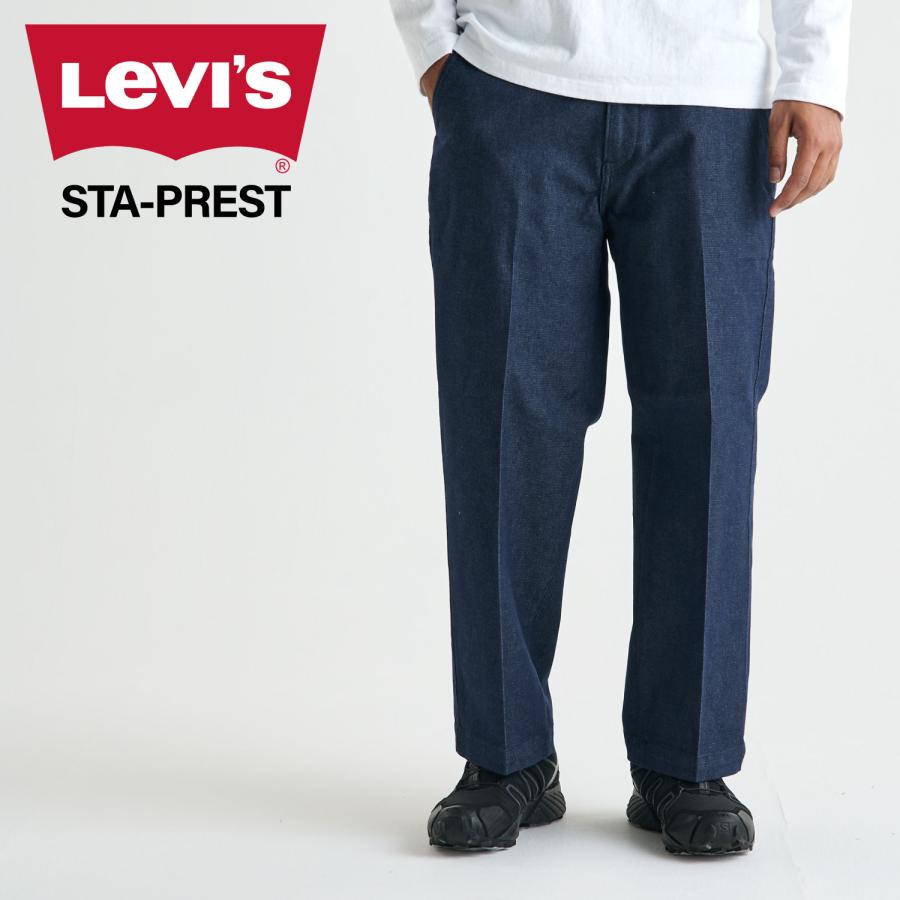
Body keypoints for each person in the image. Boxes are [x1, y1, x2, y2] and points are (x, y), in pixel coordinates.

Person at [389, 0, 851, 855]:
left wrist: (814, 72)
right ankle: (504, 753)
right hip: (513, 82)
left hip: (712, 97)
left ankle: (687, 757)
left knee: (708, 431)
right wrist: (431, 45)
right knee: (502, 426)